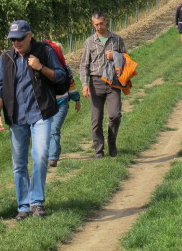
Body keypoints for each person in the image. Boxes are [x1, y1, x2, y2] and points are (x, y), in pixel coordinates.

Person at [0, 20, 65, 220]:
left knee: (41, 155)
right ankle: (23, 206)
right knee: (19, 163)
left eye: (20, 38)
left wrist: (40, 67)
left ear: (30, 35)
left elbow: (61, 76)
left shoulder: (45, 51)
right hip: (16, 117)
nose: (16, 42)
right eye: (12, 39)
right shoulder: (6, 58)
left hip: (41, 114)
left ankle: (37, 203)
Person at [79, 12, 127, 158]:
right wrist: (84, 84)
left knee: (115, 115)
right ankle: (98, 150)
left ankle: (112, 143)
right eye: (96, 24)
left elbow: (126, 58)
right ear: (93, 24)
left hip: (113, 82)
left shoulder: (117, 39)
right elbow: (83, 65)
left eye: (101, 23)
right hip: (96, 82)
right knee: (96, 119)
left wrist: (116, 56)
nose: (99, 27)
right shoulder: (89, 42)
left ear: (106, 21)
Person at [48, 43, 81, 168]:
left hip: (62, 103)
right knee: (48, 131)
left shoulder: (65, 69)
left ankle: (53, 157)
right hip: (47, 105)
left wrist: (77, 100)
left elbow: (71, 85)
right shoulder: (44, 69)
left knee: (54, 129)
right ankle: (54, 150)